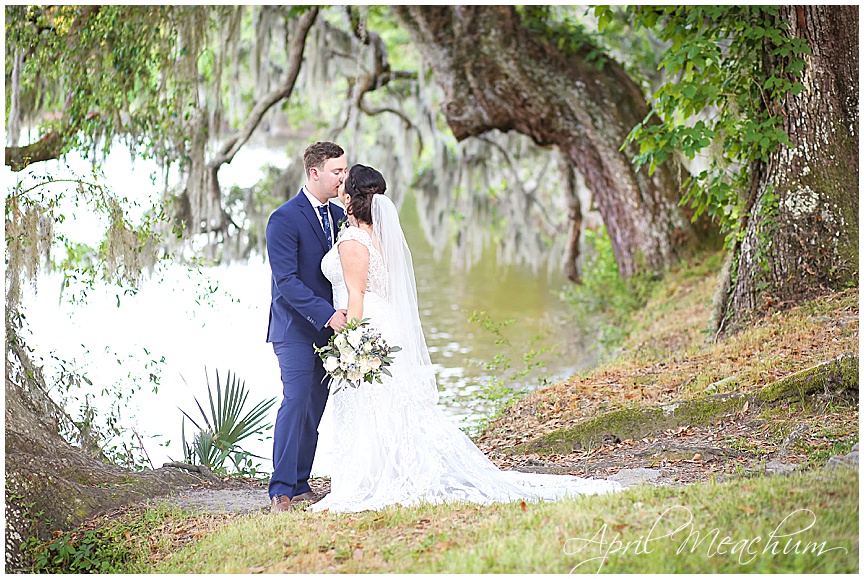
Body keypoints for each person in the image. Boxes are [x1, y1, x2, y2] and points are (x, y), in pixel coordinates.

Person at [310, 164, 622, 513]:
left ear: (351, 198)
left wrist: (351, 343)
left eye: (343, 183)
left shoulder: (353, 240)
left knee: (374, 404)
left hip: (367, 325)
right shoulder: (376, 235)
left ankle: (373, 477)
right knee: (387, 404)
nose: (337, 186)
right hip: (385, 323)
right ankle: (388, 467)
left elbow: (356, 295)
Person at [265, 141, 349, 513]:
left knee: (314, 408)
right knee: (295, 401)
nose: (342, 178)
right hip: (294, 329)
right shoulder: (283, 218)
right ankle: (279, 490)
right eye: (337, 172)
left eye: (345, 171)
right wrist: (327, 313)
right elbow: (287, 281)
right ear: (314, 172)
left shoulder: (339, 214)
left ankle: (301, 484)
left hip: (332, 331)